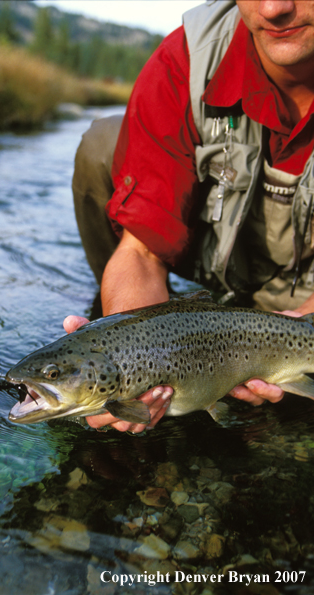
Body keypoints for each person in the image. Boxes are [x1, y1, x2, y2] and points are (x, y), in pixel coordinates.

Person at [65, 0, 314, 433]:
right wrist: (129, 358)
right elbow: (140, 251)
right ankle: (112, 328)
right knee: (104, 143)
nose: (274, 8)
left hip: (302, 288)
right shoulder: (187, 60)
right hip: (214, 257)